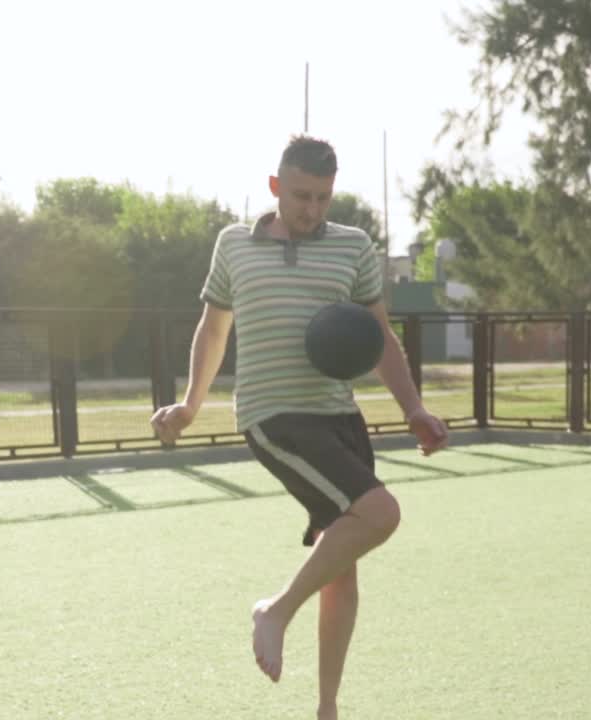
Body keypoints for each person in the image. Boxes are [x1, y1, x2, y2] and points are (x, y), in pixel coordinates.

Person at [149, 136, 449, 719]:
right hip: (274, 415)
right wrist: (189, 406)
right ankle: (276, 610)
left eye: (322, 198)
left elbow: (379, 338)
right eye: (301, 195)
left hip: (340, 416)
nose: (312, 209)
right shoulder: (234, 243)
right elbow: (214, 330)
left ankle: (327, 708)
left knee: (340, 568)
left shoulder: (352, 246)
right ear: (276, 187)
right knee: (381, 513)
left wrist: (413, 408)